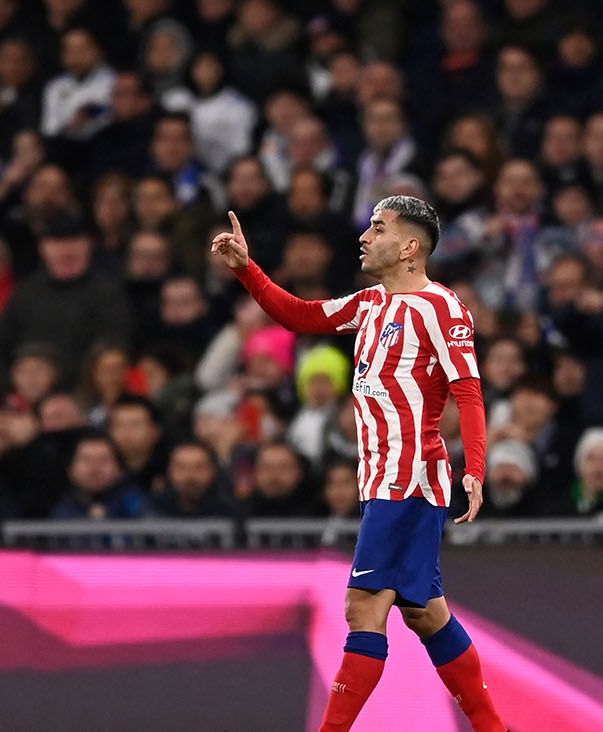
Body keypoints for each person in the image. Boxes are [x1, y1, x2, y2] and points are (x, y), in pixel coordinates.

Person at [213, 196, 505, 731]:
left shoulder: (441, 308)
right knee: (425, 611)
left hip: (409, 478)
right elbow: (299, 314)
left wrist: (476, 467)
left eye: (379, 228)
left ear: (410, 247)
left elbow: (468, 390)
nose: (365, 237)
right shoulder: (370, 303)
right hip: (381, 480)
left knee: (362, 606)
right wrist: (246, 269)